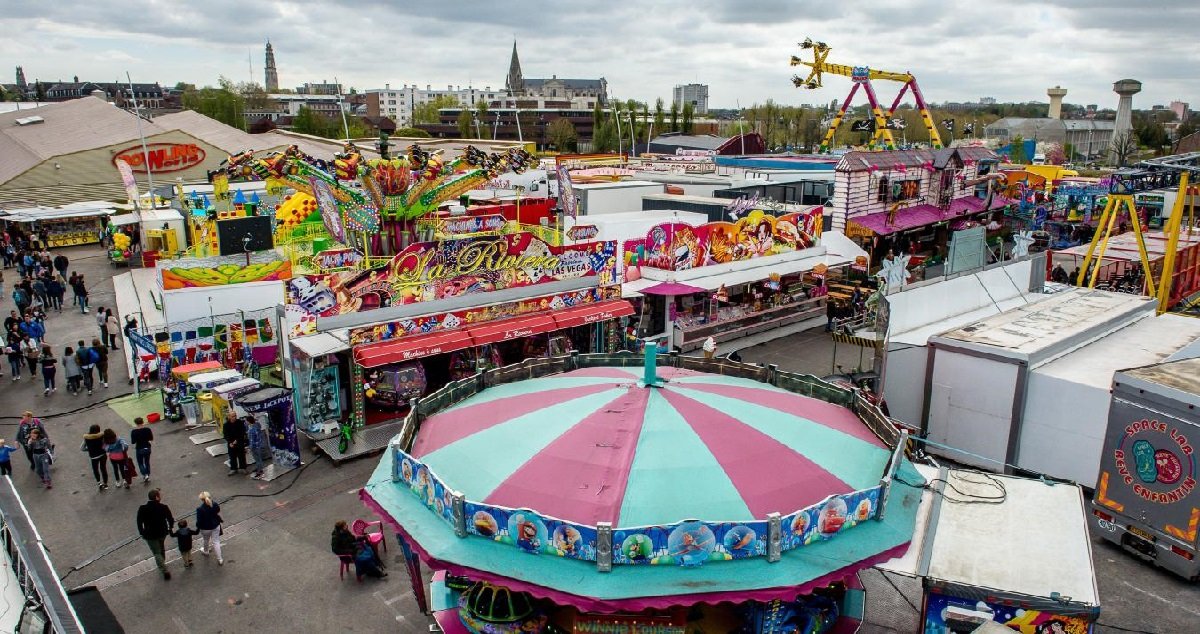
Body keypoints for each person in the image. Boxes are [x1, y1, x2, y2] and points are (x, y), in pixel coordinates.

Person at [136, 489, 175, 580]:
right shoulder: (163, 507)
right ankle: (162, 561)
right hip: (162, 532)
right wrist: (170, 528)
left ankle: (163, 568)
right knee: (161, 548)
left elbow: (139, 522)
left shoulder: (143, 508)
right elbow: (170, 519)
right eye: (159, 495)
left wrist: (142, 532)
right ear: (157, 497)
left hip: (150, 534)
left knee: (156, 551)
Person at [195, 491, 224, 565]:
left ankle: (206, 551)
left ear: (201, 499)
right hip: (216, 525)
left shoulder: (200, 509)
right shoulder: (215, 504)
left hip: (205, 528)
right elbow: (218, 511)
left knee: (206, 540)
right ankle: (220, 559)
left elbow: (199, 521)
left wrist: (198, 527)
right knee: (216, 542)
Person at [82, 424, 109, 490]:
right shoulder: (101, 436)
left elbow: (82, 448)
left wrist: (89, 449)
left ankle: (99, 483)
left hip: (93, 456)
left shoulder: (86, 438)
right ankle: (105, 484)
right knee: (103, 469)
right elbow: (105, 444)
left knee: (95, 470)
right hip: (102, 454)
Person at [130, 417, 153, 482]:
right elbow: (151, 438)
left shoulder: (134, 432)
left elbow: (133, 442)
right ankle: (148, 474)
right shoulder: (148, 429)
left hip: (139, 448)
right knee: (147, 462)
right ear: (142, 422)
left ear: (135, 423)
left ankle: (145, 475)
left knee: (140, 463)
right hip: (147, 448)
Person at [246, 415, 269, 479]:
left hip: (254, 447)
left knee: (257, 459)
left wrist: (250, 448)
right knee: (259, 458)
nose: (246, 422)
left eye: (246, 421)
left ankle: (260, 472)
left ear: (248, 421)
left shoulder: (251, 430)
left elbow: (252, 441)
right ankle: (259, 468)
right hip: (259, 445)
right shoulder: (257, 425)